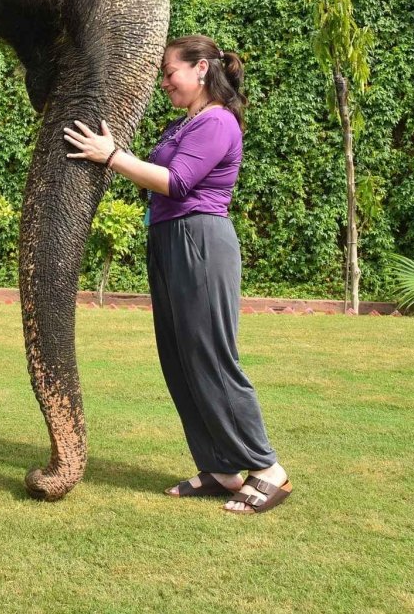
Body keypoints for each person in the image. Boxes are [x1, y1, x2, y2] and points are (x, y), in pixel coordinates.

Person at [62, 35, 292, 515]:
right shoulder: (181, 125)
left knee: (210, 356)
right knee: (179, 358)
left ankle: (268, 468)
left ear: (202, 69)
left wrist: (110, 155)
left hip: (201, 242)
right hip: (169, 241)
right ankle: (221, 466)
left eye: (170, 72)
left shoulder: (217, 122)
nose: (164, 82)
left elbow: (178, 181)